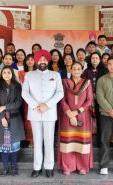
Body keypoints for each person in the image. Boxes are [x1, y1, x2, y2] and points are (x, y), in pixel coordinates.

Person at [22, 50, 64, 178]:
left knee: (49, 141)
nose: (42, 61)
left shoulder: (55, 75)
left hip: (49, 113)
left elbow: (60, 93)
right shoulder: (29, 75)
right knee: (37, 141)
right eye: (40, 59)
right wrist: (36, 105)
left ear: (48, 60)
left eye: (45, 59)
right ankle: (37, 167)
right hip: (35, 113)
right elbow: (25, 93)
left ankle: (49, 167)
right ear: (36, 61)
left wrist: (47, 105)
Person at [58, 62, 93, 175]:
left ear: (82, 70)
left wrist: (77, 112)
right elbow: (62, 100)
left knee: (82, 141)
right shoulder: (65, 83)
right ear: (70, 70)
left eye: (79, 69)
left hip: (83, 116)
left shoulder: (87, 83)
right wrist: (69, 113)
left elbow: (89, 100)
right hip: (67, 115)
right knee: (68, 141)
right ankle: (68, 166)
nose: (76, 71)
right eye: (74, 69)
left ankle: (82, 166)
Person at [0, 66, 25, 176]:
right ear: (1, 74)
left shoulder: (17, 86)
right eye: (4, 72)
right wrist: (2, 117)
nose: (6, 74)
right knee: (3, 145)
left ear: (12, 74)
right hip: (0, 119)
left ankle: (14, 166)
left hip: (14, 119)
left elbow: (19, 102)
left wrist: (5, 107)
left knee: (14, 145)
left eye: (8, 72)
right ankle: (5, 167)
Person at [82, 52, 108, 146]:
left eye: (97, 58)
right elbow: (83, 84)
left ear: (100, 59)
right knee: (88, 119)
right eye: (93, 58)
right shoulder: (86, 71)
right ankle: (87, 140)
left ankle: (100, 142)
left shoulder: (104, 70)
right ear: (90, 59)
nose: (95, 60)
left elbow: (106, 85)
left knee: (100, 120)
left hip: (101, 99)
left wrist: (99, 95)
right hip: (88, 99)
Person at [18, 54, 37, 147]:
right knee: (27, 119)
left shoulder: (38, 73)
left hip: (37, 100)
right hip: (25, 101)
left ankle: (35, 140)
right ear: (25, 62)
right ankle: (28, 140)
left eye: (32, 60)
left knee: (36, 119)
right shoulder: (21, 73)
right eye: (28, 60)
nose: (30, 61)